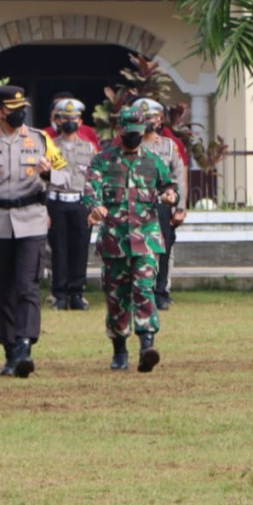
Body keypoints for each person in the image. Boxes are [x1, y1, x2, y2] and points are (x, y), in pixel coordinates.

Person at [0, 85, 66, 378]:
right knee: (3, 288)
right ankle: (9, 349)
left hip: (31, 219)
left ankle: (25, 345)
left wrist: (48, 173)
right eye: (14, 109)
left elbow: (66, 175)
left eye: (23, 109)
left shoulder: (41, 139)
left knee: (27, 284)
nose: (21, 114)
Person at [84, 107, 177, 372]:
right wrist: (96, 206)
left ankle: (147, 345)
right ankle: (120, 350)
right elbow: (90, 189)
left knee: (144, 288)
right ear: (119, 131)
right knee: (117, 296)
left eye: (139, 133)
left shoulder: (153, 161)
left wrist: (172, 197)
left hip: (146, 238)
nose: (135, 137)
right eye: (130, 133)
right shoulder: (103, 161)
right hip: (115, 240)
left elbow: (169, 186)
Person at [132, 98, 188, 312]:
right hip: (136, 205)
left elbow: (179, 178)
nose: (147, 121)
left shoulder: (169, 146)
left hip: (162, 205)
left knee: (163, 248)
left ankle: (161, 292)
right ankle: (139, 292)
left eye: (152, 117)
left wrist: (180, 208)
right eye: (143, 117)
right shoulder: (131, 143)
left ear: (160, 119)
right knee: (137, 249)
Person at [47, 99, 98, 311]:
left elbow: (95, 179)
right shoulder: (48, 147)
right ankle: (59, 294)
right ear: (57, 120)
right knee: (58, 250)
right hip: (56, 202)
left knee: (80, 249)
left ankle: (77, 293)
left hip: (80, 204)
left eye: (74, 118)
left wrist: (94, 206)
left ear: (80, 121)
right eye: (65, 118)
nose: (69, 121)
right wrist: (43, 209)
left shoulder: (89, 148)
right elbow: (40, 180)